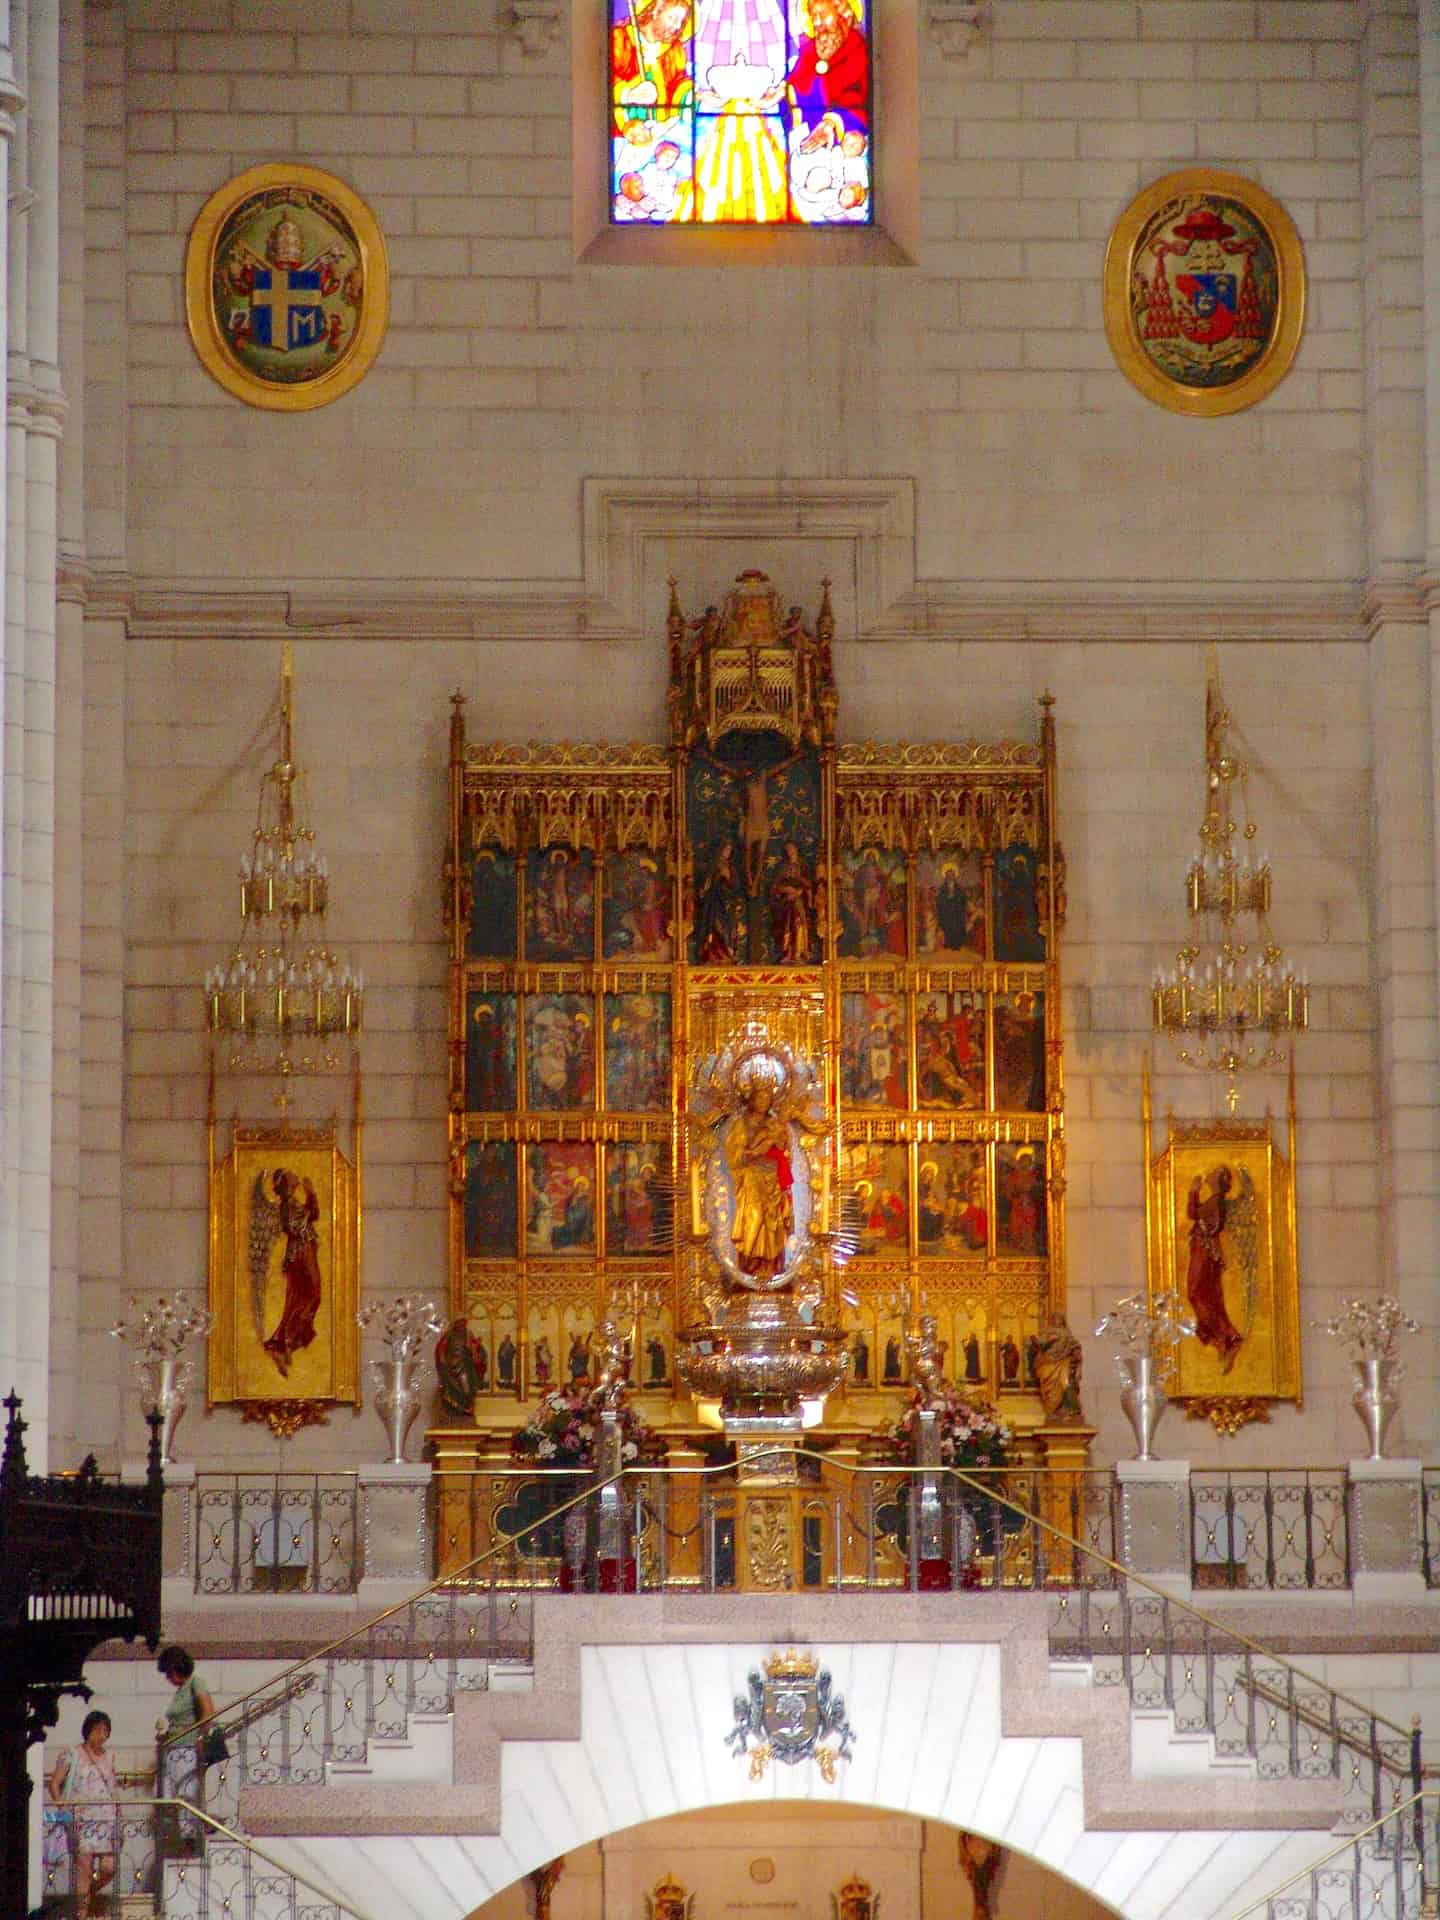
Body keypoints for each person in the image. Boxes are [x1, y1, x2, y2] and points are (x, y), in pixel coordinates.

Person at [49, 1709, 118, 1914]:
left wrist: (118, 1812)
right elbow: (54, 1784)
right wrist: (62, 1808)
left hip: (106, 1819)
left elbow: (112, 1787)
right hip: (82, 1820)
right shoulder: (71, 1753)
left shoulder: (110, 1756)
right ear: (88, 1730)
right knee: (84, 1869)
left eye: (106, 1731)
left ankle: (87, 1894)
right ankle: (82, 1913)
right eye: (98, 1730)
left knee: (109, 1867)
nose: (102, 1735)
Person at [726, 1077, 794, 1278]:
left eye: (767, 1098)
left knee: (773, 1224)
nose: (763, 1102)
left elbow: (785, 1151)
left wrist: (779, 1144)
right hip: (751, 1180)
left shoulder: (775, 1123)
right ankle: (750, 1266)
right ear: (751, 1100)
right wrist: (748, 1154)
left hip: (772, 1179)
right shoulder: (741, 1124)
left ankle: (771, 1267)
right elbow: (734, 1153)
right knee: (753, 1219)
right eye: (759, 1098)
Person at [261, 1167, 322, 1377]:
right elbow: (293, 1227)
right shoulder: (286, 1205)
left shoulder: (294, 1203)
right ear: (286, 1183)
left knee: (304, 1298)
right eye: (291, 1176)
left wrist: (311, 1194)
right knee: (310, 1295)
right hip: (300, 1254)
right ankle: (286, 1341)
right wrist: (306, 1210)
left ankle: (287, 1344)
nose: (295, 1176)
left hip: (305, 1252)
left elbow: (313, 1215)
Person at [157, 1645, 217, 1856]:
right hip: (173, 1749)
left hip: (187, 1749)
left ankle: (190, 1844)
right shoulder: (180, 1691)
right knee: (170, 1796)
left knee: (185, 1796)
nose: (168, 1678)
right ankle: (189, 1837)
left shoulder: (195, 1683)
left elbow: (208, 1711)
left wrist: (201, 1736)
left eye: (168, 1673)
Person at [1187, 1165, 1243, 1371]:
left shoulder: (1216, 1201)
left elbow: (1193, 1213)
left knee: (1197, 1293)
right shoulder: (1214, 1201)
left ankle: (1227, 1338)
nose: (1208, 1174)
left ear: (1218, 1180)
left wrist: (1193, 1190)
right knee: (1206, 1296)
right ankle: (1222, 1341)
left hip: (1205, 1251)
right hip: (1204, 1251)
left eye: (1213, 1172)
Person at [1033, 1313, 1084, 1422]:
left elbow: (1074, 1344)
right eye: (1055, 1318)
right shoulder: (1048, 1331)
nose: (1058, 1320)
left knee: (1067, 1384)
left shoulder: (1067, 1332)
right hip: (1049, 1363)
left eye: (1060, 1318)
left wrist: (1076, 1351)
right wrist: (1046, 1341)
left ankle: (1069, 1410)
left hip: (1063, 1362)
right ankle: (1052, 1411)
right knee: (1050, 1387)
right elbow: (1041, 1344)